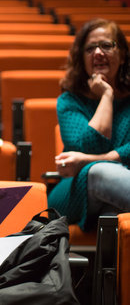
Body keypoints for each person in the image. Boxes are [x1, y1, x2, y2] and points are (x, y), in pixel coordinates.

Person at [48, 18, 130, 231]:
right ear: (81, 58)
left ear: (121, 54)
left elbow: (88, 156)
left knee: (112, 216)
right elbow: (86, 147)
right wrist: (107, 95)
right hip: (77, 187)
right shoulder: (69, 101)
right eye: (90, 48)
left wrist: (91, 160)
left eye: (106, 45)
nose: (98, 53)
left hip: (120, 191)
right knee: (99, 172)